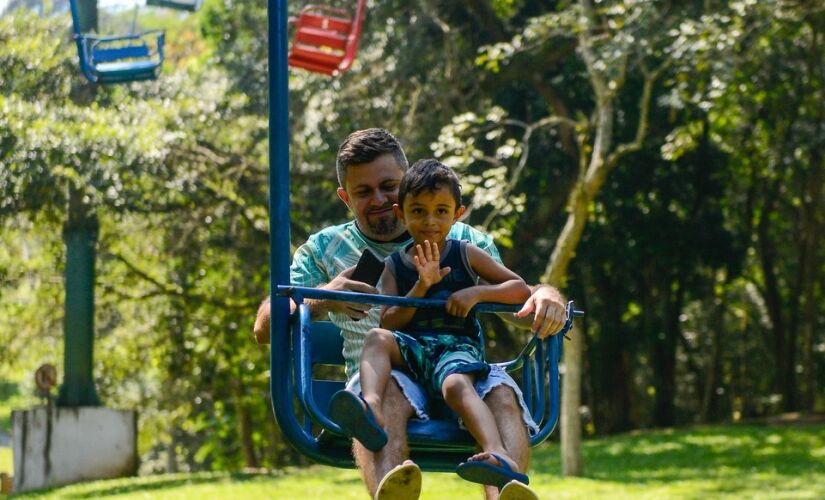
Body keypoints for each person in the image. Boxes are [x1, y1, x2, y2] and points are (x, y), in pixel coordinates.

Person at [253, 128, 566, 500]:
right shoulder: (325, 248)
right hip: (388, 375)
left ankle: (507, 492)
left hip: (459, 368)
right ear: (345, 198)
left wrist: (546, 295)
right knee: (387, 394)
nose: (380, 200)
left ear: (405, 186)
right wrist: (323, 298)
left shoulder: (459, 239)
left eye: (389, 186)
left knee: (500, 392)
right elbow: (264, 327)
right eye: (364, 192)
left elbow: (516, 299)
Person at [339, 159, 533, 491]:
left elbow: (518, 289)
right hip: (415, 349)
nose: (430, 222)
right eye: (418, 212)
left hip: (454, 348)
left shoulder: (465, 253)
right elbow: (390, 320)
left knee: (456, 385)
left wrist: (476, 292)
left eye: (441, 211)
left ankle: (497, 452)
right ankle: (369, 406)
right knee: (376, 336)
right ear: (402, 213)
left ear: (458, 214)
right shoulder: (395, 265)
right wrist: (421, 286)